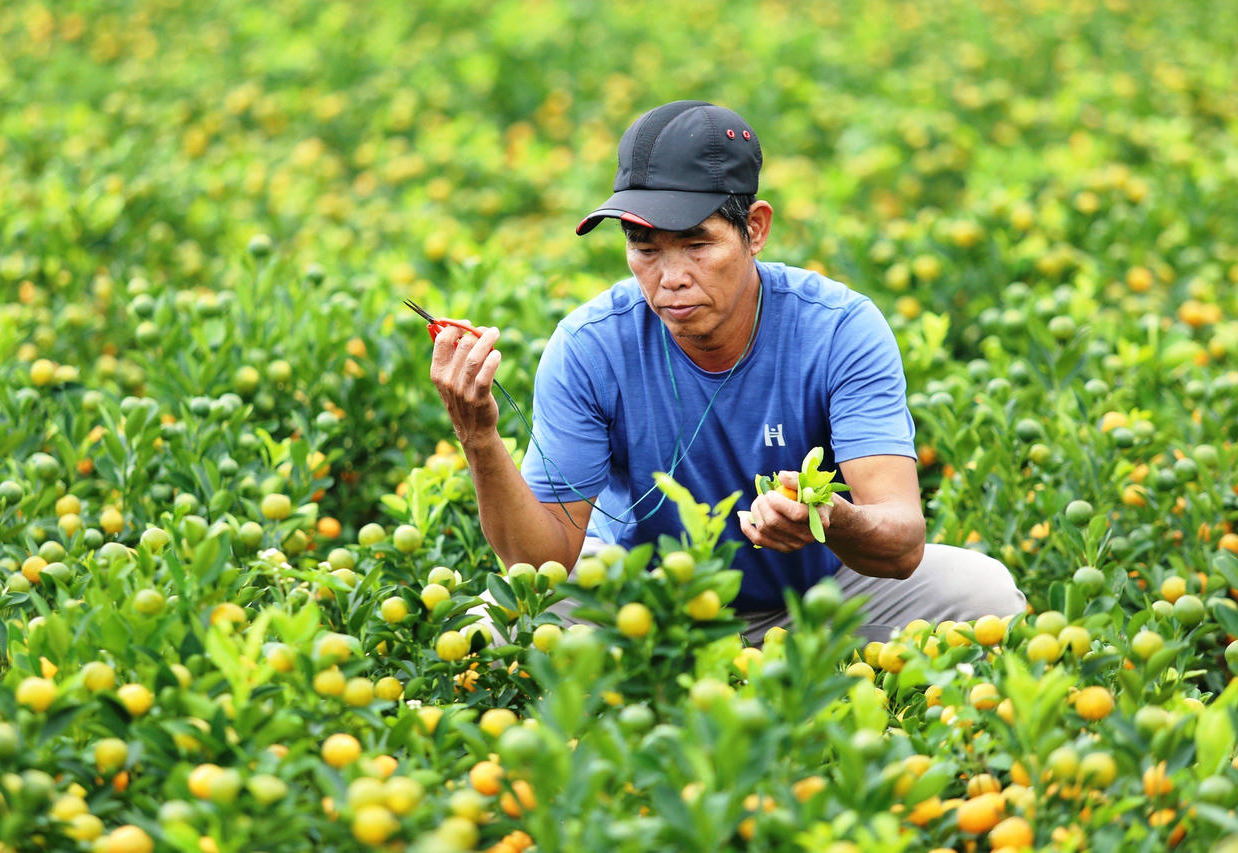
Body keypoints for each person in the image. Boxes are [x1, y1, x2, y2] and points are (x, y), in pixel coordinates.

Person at [427, 100, 1025, 644]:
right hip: (641, 600)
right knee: (491, 632)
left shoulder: (839, 329)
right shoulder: (591, 344)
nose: (670, 276)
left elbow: (902, 543)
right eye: (645, 246)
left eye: (695, 243)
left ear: (755, 229)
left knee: (986, 595)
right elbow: (542, 565)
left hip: (815, 599)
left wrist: (828, 517)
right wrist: (480, 437)